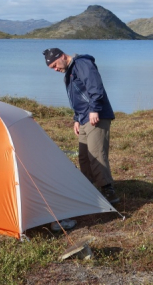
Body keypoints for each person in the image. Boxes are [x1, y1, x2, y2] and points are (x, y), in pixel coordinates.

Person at [43, 47, 119, 204]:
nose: (56, 69)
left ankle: (108, 192)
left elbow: (95, 86)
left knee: (96, 154)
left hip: (96, 116)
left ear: (63, 56)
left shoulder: (82, 64)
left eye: (55, 65)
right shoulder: (69, 72)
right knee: (84, 156)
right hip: (84, 118)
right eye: (52, 68)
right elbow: (77, 98)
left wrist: (95, 109)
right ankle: (89, 191)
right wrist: (76, 119)